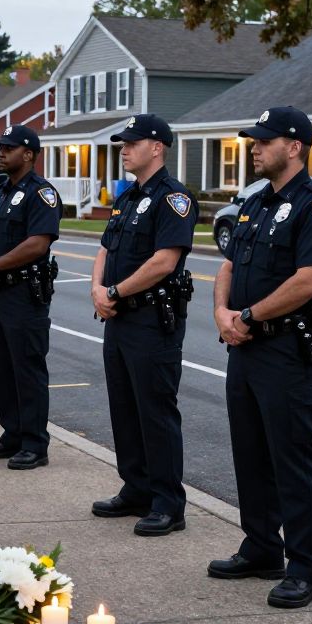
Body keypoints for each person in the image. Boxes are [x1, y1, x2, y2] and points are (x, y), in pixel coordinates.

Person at [208, 107, 312, 609]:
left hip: (287, 351)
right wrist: (223, 311)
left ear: (296, 146)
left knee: (293, 461)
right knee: (251, 454)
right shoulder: (255, 204)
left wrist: (248, 317)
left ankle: (306, 567)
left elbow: (310, 280)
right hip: (245, 349)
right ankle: (262, 547)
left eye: (265, 141)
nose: (255, 148)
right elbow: (228, 264)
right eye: (254, 140)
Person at [90, 114, 197, 535]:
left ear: (157, 147)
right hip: (119, 319)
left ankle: (168, 503)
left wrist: (115, 293)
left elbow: (164, 261)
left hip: (153, 321)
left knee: (155, 411)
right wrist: (98, 288)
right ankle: (136, 487)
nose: (124, 148)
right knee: (124, 406)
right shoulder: (127, 197)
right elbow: (105, 247)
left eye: (132, 142)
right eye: (123, 143)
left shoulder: (175, 198)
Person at [0, 124, 62, 470]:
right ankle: (12, 433)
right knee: (3, 368)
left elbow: (39, 242)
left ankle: (35, 443)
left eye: (8, 148)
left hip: (24, 294)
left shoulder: (42, 194)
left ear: (28, 154)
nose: (1, 153)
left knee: (27, 369)